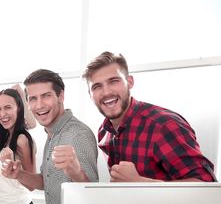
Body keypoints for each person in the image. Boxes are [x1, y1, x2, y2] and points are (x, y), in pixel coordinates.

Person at [1, 69, 98, 204]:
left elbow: (92, 195)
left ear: (61, 96)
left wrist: (76, 172)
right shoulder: (53, 134)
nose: (39, 105)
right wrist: (18, 174)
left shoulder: (77, 135)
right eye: (33, 98)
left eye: (46, 96)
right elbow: (46, 181)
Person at [82, 51, 216, 182]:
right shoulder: (105, 131)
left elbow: (205, 184)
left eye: (114, 81)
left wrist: (139, 182)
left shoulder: (164, 125)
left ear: (130, 82)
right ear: (90, 94)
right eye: (97, 86)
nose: (106, 92)